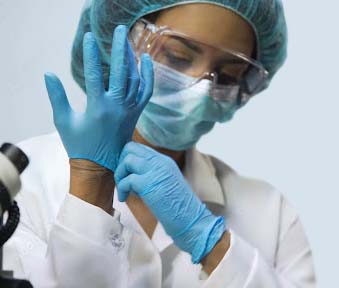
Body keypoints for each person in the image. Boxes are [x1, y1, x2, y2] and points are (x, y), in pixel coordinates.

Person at [4, 0, 316, 287]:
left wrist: (213, 244)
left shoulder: (271, 214)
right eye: (177, 56)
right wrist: (90, 187)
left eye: (229, 75)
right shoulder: (19, 189)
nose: (201, 90)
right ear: (119, 38)